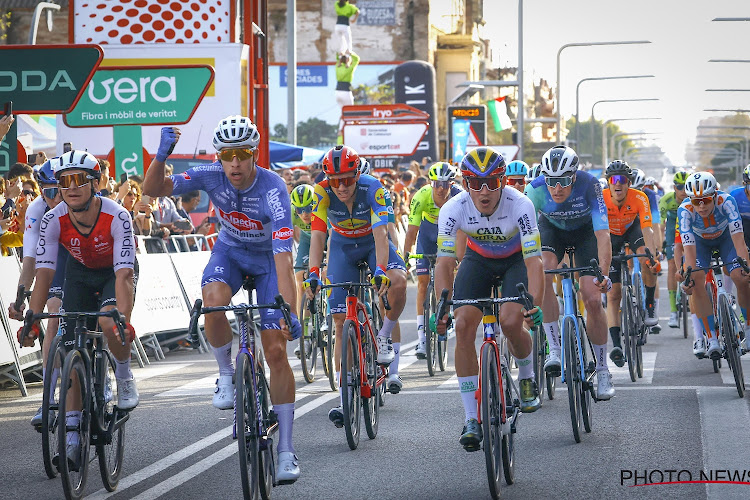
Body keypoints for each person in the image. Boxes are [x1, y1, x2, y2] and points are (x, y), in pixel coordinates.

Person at [142, 117, 302, 483]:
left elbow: (283, 258)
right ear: (219, 156)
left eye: (242, 154)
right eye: (227, 155)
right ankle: (227, 375)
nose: (234, 163)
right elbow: (153, 190)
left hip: (266, 262)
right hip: (229, 253)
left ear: (254, 155)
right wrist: (162, 154)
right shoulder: (210, 174)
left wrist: (286, 310)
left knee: (275, 350)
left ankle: (287, 450)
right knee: (212, 301)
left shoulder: (275, 190)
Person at [23, 150, 138, 470]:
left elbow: (125, 274)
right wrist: (33, 316)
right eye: (63, 181)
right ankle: (72, 440)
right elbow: (44, 272)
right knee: (71, 351)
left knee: (108, 321)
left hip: (115, 272)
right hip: (80, 273)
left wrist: (123, 321)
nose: (70, 187)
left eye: (78, 180)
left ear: (96, 183)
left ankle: (125, 377)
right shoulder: (52, 218)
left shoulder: (117, 215)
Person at [434, 147, 544, 452]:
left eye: (492, 183)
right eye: (475, 183)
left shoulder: (520, 204)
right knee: (464, 324)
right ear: (465, 184)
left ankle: (526, 375)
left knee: (511, 322)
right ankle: (471, 417)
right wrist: (442, 305)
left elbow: (534, 261)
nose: (484, 191)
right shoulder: (453, 208)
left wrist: (532, 304)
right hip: (478, 260)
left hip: (515, 262)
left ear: (504, 181)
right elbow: (444, 262)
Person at [303, 145, 407, 424]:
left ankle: (384, 333)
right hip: (342, 247)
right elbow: (317, 236)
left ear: (356, 175)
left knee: (397, 282)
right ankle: (343, 397)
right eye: (335, 181)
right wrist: (313, 272)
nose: (342, 186)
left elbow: (382, 234)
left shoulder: (372, 188)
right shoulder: (321, 191)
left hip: (372, 243)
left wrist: (382, 270)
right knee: (339, 320)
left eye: (348, 179)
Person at [525, 145, 615, 400]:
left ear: (574, 176)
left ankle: (602, 369)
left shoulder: (590, 185)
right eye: (552, 181)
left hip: (585, 233)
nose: (557, 188)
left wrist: (604, 275)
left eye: (564, 181)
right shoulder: (534, 189)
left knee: (593, 299)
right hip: (552, 231)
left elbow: (602, 234)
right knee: (542, 271)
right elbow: (524, 235)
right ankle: (554, 347)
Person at [8, 159, 69, 425]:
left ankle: (102, 377)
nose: (54, 197)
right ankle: (48, 398)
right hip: (56, 260)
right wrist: (21, 298)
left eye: (59, 190)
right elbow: (30, 259)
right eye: (48, 191)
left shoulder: (80, 203)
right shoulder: (36, 209)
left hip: (87, 260)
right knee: (53, 313)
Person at [678, 171, 750, 358]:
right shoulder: (684, 210)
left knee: (741, 277)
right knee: (696, 278)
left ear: (715, 196)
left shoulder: (726, 202)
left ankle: (748, 330)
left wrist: (746, 267)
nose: (701, 206)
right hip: (700, 243)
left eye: (706, 200)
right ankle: (711, 338)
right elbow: (689, 249)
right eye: (696, 201)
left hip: (726, 239)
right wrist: (688, 276)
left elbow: (739, 241)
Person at [601, 160, 660, 367]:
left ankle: (650, 304)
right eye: (613, 180)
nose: (618, 184)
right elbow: (597, 233)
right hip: (611, 236)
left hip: (633, 229)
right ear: (608, 182)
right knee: (613, 293)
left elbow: (647, 229)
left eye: (623, 180)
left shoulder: (640, 197)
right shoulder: (601, 198)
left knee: (645, 258)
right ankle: (616, 345)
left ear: (629, 182)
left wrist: (652, 256)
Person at [403, 162, 462, 358]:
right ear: (431, 183)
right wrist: (405, 256)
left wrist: (462, 256)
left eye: (446, 184)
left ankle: (447, 314)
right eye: (437, 184)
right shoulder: (421, 196)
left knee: (448, 276)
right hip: (427, 236)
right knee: (422, 284)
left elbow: (465, 230)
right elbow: (412, 231)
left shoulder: (459, 196)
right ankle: (421, 339)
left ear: (452, 184)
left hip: (450, 235)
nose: (441, 189)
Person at [660, 171, 690, 328]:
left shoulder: (694, 199)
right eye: (680, 187)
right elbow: (660, 225)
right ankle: (673, 311)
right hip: (673, 230)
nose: (683, 190)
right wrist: (660, 244)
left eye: (686, 187)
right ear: (674, 187)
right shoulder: (667, 200)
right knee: (672, 265)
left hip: (689, 227)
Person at [290, 183, 316, 358]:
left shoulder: (322, 207)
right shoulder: (291, 213)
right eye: (300, 209)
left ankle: (328, 314)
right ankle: (305, 334)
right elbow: (287, 235)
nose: (304, 214)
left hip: (329, 236)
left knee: (328, 272)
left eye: (308, 208)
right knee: (300, 279)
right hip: (308, 239)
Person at [335, 51, 360, 126]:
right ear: (348, 60)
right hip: (346, 92)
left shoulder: (337, 66)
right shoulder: (349, 68)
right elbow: (357, 59)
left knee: (343, 113)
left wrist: (339, 54)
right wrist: (351, 53)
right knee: (350, 112)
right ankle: (349, 128)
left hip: (337, 93)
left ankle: (341, 130)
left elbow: (337, 58)